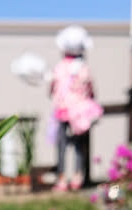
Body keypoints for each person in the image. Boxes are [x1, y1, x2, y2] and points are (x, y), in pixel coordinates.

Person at [49, 25, 103, 191]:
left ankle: (62, 179)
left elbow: (52, 89)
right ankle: (78, 177)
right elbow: (91, 91)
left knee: (62, 146)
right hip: (80, 113)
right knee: (80, 146)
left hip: (63, 111)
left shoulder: (59, 68)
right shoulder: (83, 68)